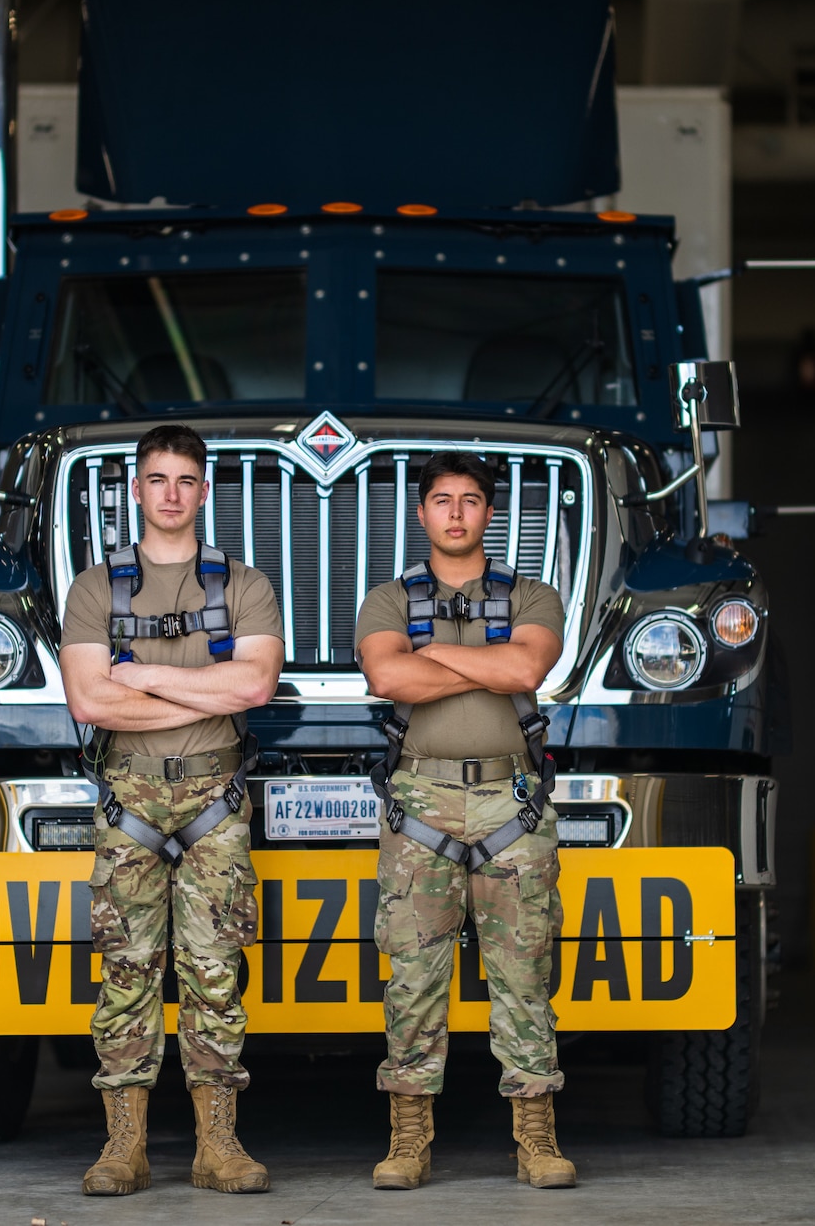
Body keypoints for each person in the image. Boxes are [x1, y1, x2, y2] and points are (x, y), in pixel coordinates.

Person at [60, 424, 284, 1196]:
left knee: (215, 972)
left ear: (203, 490)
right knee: (127, 972)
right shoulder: (97, 587)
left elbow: (253, 690)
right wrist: (201, 687)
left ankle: (217, 1145)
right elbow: (90, 699)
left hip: (213, 801)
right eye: (158, 479)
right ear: (138, 488)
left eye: (186, 480)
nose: (172, 494)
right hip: (131, 799)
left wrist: (143, 675)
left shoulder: (245, 584)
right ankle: (124, 1146)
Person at [354, 450, 577, 1191]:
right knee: (414, 978)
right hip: (421, 803)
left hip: (512, 804)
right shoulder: (386, 600)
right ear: (420, 513)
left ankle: (536, 1136)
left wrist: (435, 656)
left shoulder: (535, 595)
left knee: (524, 975)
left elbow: (526, 671)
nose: (455, 511)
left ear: (489, 512)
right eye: (441, 499)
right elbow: (386, 676)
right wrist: (487, 655)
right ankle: (409, 1138)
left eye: (471, 499)